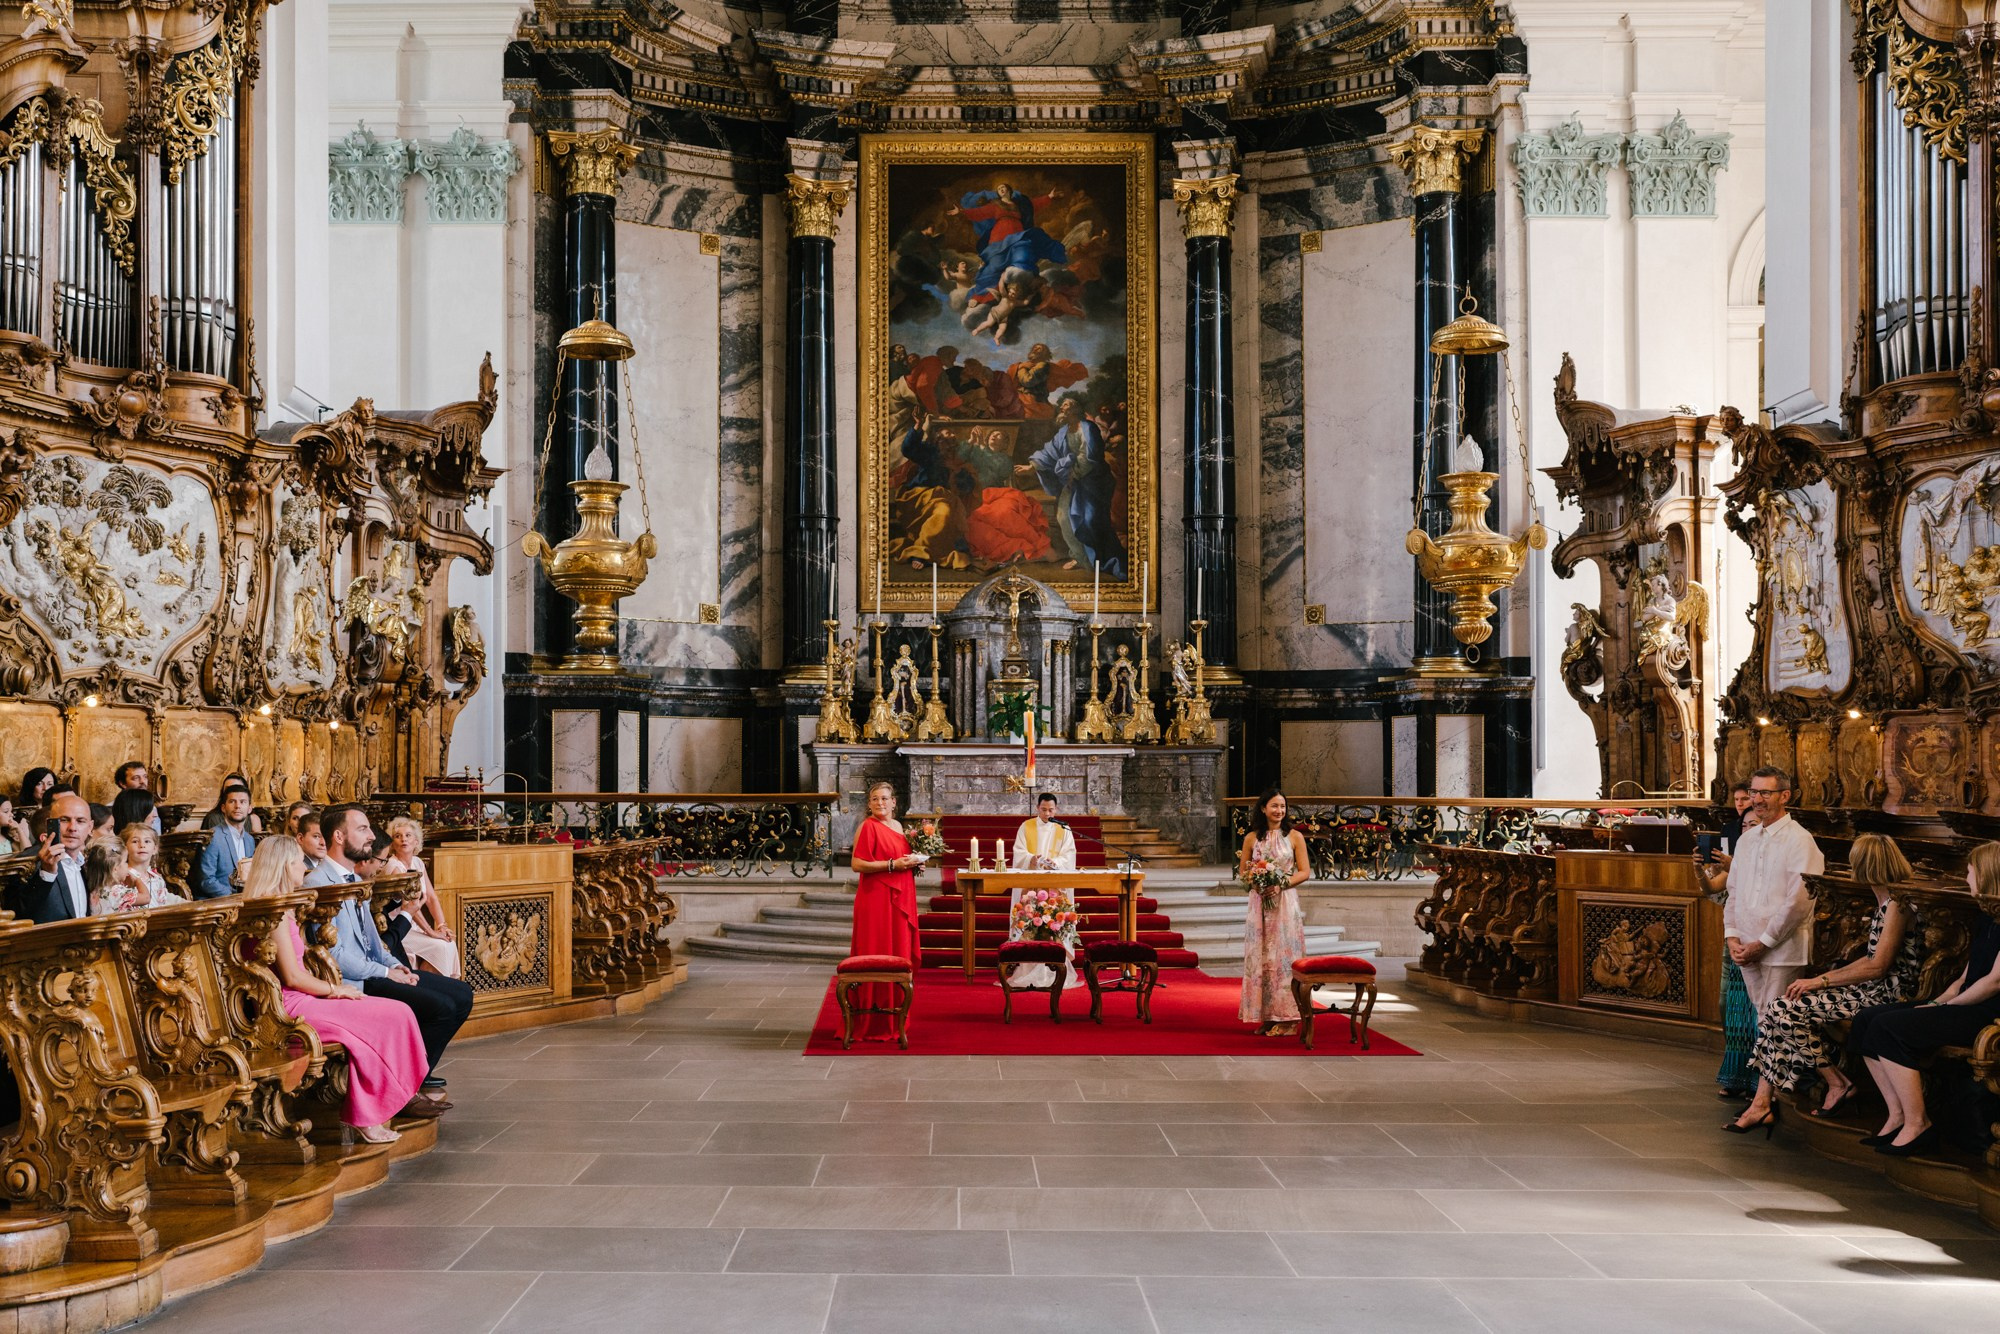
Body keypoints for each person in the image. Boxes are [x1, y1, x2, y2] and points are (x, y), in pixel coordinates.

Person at [1727, 834, 1922, 1135]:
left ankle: (1827, 1086)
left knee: (1784, 1011)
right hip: (1872, 988)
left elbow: (1878, 965)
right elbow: (1870, 959)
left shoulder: (1898, 903)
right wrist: (1818, 984)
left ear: (1865, 864)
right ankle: (1797, 1092)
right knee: (1781, 1008)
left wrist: (1819, 981)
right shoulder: (1885, 898)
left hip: (1890, 992)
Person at [245, 836, 432, 1143]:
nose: (302, 869)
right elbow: (292, 977)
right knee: (379, 1020)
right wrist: (337, 990)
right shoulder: (273, 913)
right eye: (296, 862)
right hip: (289, 1007)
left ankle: (381, 1105)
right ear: (281, 867)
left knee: (398, 1011)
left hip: (304, 997)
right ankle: (366, 1115)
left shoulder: (281, 907)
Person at [310, 805, 471, 1099]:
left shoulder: (356, 881)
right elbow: (338, 956)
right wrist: (386, 972)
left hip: (376, 968)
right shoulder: (319, 883)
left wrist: (396, 966)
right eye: (362, 829)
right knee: (442, 1008)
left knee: (462, 994)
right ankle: (402, 1087)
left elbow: (372, 940)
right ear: (338, 836)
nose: (372, 835)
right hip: (354, 980)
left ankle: (410, 1078)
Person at [1850, 840, 2000, 1156]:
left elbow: (1993, 982)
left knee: (1891, 1028)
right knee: (1867, 1019)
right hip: (1963, 1002)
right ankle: (1898, 1114)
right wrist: (1937, 1000)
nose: (1967, 877)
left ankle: (1919, 1125)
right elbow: (1967, 975)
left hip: (1986, 1012)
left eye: (1970, 871)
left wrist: (1948, 1005)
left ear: (1987, 874)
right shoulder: (1986, 915)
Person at [1697, 766, 1823, 1019]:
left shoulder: (1800, 840)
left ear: (1784, 796)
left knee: (1776, 1019)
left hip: (1782, 949)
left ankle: (1773, 1061)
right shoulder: (1746, 840)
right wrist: (1732, 936)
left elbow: (1799, 901)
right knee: (1759, 1016)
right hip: (1745, 946)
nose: (1756, 799)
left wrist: (1763, 943)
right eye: (1754, 792)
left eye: (1765, 793)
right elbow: (1734, 892)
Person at [848, 781, 922, 1041]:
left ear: (894, 802)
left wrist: (913, 864)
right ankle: (871, 1020)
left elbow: (901, 859)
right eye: (875, 799)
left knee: (897, 952)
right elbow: (857, 864)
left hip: (899, 897)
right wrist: (892, 865)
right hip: (875, 899)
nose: (880, 803)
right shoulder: (867, 826)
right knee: (875, 950)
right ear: (869, 804)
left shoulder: (900, 827)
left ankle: (895, 1015)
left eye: (885, 798)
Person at [1238, 786, 1311, 1037]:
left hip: (1284, 903)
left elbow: (1304, 871)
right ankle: (1267, 1015)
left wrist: (1280, 884)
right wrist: (1256, 881)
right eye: (1274, 806)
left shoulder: (1294, 837)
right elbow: (1243, 872)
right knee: (1262, 959)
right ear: (1263, 808)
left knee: (1282, 958)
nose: (1279, 810)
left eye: (1282, 806)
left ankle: (1288, 1018)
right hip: (1259, 904)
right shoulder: (1251, 838)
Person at [1714, 782, 1760, 1101]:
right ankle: (1735, 1075)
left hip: (1761, 943)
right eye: (1744, 825)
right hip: (1737, 940)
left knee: (1758, 1016)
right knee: (1730, 1008)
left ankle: (1758, 1082)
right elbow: (1723, 896)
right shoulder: (1741, 854)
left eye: (1753, 824)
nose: (1747, 829)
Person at [382, 818, 461, 978]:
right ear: (392, 843)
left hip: (415, 927)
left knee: (449, 943)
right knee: (440, 947)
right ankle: (425, 985)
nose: (403, 839)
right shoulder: (394, 866)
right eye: (398, 836)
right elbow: (410, 905)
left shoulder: (418, 863)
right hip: (400, 927)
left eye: (408, 835)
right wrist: (431, 932)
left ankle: (441, 989)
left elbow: (431, 898)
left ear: (416, 841)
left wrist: (442, 926)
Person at [15, 792, 94, 923]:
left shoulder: (88, 860)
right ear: (49, 824)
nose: (72, 828)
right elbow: (19, 913)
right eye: (64, 820)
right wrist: (46, 873)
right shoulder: (28, 860)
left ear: (90, 827)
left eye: (80, 821)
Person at [93, 823, 186, 913]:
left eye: (147, 841)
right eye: (135, 841)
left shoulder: (156, 877)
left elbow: (163, 902)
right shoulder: (123, 876)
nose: (142, 845)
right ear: (125, 848)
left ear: (155, 849)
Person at [195, 782, 257, 898]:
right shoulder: (212, 837)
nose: (237, 806)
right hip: (216, 903)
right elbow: (206, 880)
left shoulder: (249, 840)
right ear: (223, 808)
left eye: (242, 802)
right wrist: (233, 897)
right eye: (232, 801)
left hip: (244, 902)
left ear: (249, 809)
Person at [1012, 793, 1077, 872]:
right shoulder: (1026, 826)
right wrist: (1030, 858)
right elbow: (1019, 851)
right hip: (1032, 874)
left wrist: (1055, 863)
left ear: (1056, 809)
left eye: (1050, 810)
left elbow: (1069, 854)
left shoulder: (1064, 828)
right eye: (1044, 809)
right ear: (1038, 808)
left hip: (1055, 875)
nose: (1047, 814)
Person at [200, 774, 265, 834]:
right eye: (228, 789)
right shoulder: (213, 818)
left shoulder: (253, 819)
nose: (234, 793)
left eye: (238, 789)